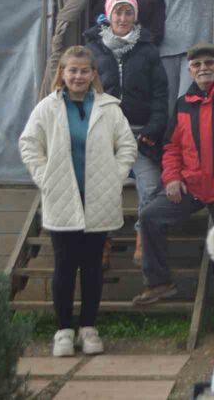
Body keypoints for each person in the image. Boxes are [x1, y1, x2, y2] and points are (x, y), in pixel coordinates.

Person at [132, 42, 214, 330]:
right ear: (190, 70)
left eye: (209, 63)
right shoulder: (183, 104)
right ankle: (159, 282)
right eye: (197, 65)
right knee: (150, 216)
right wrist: (171, 178)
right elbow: (171, 147)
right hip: (192, 188)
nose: (203, 68)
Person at [19, 46, 137, 357]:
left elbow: (126, 145)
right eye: (72, 70)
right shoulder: (47, 108)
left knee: (92, 267)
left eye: (84, 71)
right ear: (62, 73)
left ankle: (89, 328)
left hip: (97, 197)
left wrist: (115, 176)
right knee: (64, 266)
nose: (78, 76)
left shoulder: (109, 108)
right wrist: (45, 177)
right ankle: (63, 331)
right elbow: (30, 144)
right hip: (62, 197)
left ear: (94, 75)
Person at [84, 0, 168, 266]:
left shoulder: (148, 49)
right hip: (105, 133)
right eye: (118, 12)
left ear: (135, 16)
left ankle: (142, 237)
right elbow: (81, 91)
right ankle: (103, 241)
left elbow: (160, 94)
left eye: (128, 12)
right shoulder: (93, 49)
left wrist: (154, 128)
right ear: (109, 15)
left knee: (151, 185)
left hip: (141, 132)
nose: (123, 17)